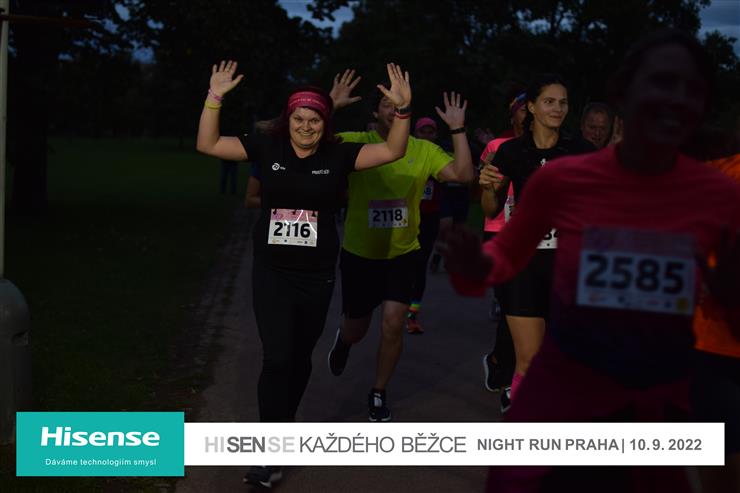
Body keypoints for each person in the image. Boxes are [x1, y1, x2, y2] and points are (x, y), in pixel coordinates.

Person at [441, 30, 740, 492]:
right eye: (662, 81)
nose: (675, 98)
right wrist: (472, 264)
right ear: (624, 92)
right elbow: (504, 256)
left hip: (655, 409)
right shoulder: (564, 180)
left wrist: (725, 289)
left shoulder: (718, 194)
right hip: (565, 390)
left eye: (692, 88)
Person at [196, 60, 412, 487]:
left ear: (326, 123)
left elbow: (393, 151)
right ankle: (269, 451)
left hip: (316, 275)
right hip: (272, 272)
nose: (306, 127)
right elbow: (208, 144)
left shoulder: (339, 153)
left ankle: (284, 425)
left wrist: (403, 111)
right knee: (276, 357)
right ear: (287, 120)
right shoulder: (267, 147)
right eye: (299, 119)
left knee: (297, 359)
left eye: (314, 120)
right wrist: (214, 97)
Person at [326, 69, 474, 421]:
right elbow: (310, 145)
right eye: (386, 104)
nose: (394, 108)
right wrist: (330, 106)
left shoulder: (423, 149)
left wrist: (457, 129)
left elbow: (463, 175)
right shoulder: (357, 141)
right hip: (361, 255)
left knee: (393, 323)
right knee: (357, 329)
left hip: (402, 254)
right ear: (375, 113)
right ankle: (344, 341)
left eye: (399, 103)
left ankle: (378, 391)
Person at [478, 75, 594, 408]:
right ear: (531, 107)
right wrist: (488, 187)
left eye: (563, 102)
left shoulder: (580, 150)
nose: (558, 108)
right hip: (523, 267)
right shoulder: (511, 151)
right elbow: (491, 209)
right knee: (528, 359)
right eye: (549, 102)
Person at [478, 92, 526, 397]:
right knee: (512, 303)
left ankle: (500, 360)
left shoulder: (546, 148)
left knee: (518, 305)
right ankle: (506, 366)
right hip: (497, 228)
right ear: (513, 115)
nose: (526, 114)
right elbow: (480, 182)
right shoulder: (497, 145)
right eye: (521, 110)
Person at [407, 116, 444, 334]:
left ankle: (412, 314)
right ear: (415, 134)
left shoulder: (440, 156)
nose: (427, 136)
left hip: (429, 218)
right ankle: (396, 306)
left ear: (436, 135)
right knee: (404, 265)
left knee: (420, 266)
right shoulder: (407, 152)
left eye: (431, 132)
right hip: (407, 217)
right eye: (423, 132)